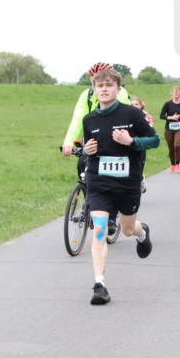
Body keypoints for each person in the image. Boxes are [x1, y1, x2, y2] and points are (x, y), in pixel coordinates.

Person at [81, 66, 158, 305]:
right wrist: (86, 150)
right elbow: (88, 147)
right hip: (99, 182)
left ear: (117, 88)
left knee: (126, 229)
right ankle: (99, 284)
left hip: (127, 184)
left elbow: (154, 140)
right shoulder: (89, 119)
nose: (104, 90)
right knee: (100, 230)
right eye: (100, 86)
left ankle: (141, 232)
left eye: (109, 85)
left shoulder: (132, 115)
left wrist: (131, 141)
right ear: (94, 90)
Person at [61, 62, 131, 238]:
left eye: (106, 81)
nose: (102, 85)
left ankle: (112, 216)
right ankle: (88, 194)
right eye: (96, 81)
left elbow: (123, 117)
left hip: (114, 138)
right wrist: (68, 142)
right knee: (82, 164)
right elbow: (77, 119)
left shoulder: (120, 93)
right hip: (92, 137)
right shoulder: (86, 95)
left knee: (111, 177)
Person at [158, 86, 180, 173]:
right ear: (172, 93)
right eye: (174, 92)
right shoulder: (167, 104)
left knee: (177, 145)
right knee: (171, 148)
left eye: (178, 92)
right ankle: (172, 164)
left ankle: (177, 165)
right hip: (169, 129)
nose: (176, 93)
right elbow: (161, 116)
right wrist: (171, 117)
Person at [130, 96, 153, 193]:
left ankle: (141, 179)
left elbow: (150, 130)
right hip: (129, 145)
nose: (134, 107)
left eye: (136, 104)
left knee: (138, 169)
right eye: (132, 105)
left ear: (141, 106)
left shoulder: (146, 116)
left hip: (141, 146)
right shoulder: (126, 115)